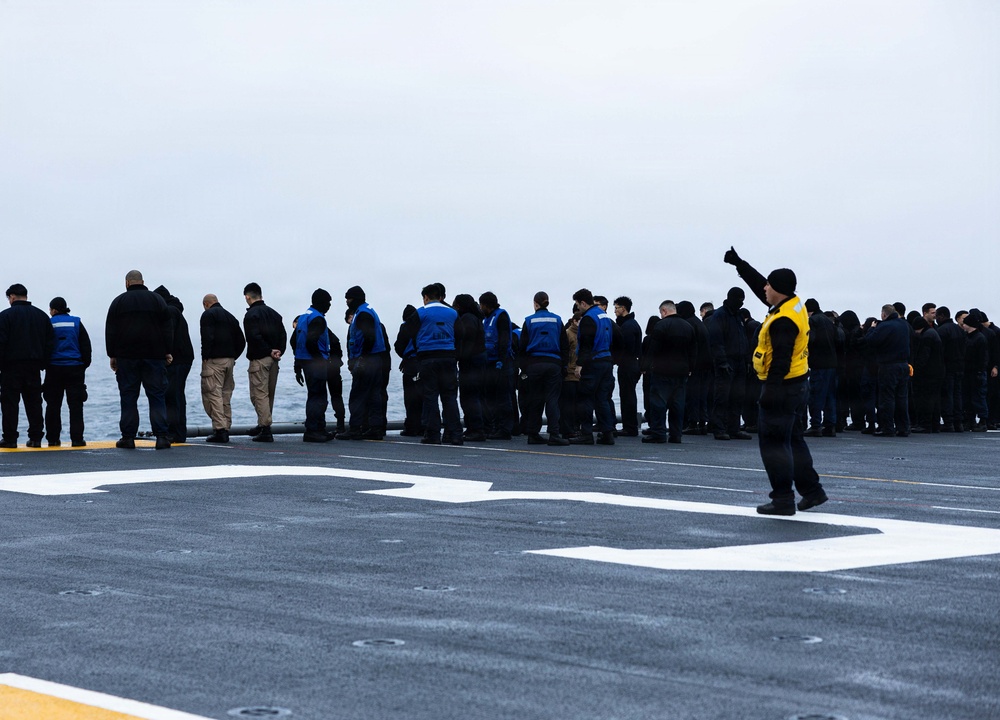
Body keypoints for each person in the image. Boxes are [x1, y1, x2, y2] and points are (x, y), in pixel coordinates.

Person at [724, 247, 827, 515]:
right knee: (792, 440)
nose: (764, 288)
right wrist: (740, 265)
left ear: (777, 289)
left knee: (773, 445)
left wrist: (770, 392)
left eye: (769, 284)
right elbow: (761, 287)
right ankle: (813, 492)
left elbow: (780, 360)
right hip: (797, 384)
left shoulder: (783, 320)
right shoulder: (791, 304)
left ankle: (782, 499)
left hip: (782, 387)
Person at [105, 270, 173, 449]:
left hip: (127, 357)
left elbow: (110, 330)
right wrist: (167, 351)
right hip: (154, 356)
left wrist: (112, 354)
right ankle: (161, 437)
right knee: (156, 396)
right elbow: (167, 327)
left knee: (128, 397)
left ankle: (128, 437)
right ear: (142, 281)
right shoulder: (157, 300)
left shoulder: (118, 302)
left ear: (127, 282)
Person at [397, 283, 463, 444]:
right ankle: (455, 434)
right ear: (440, 296)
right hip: (448, 358)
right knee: (450, 397)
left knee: (430, 397)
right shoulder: (453, 313)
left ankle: (433, 435)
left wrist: (407, 355)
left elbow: (404, 336)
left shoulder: (420, 313)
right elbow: (461, 336)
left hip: (427, 359)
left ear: (425, 297)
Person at [0, 284, 54, 448]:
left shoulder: (4, 317)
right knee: (34, 403)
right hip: (33, 368)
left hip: (10, 368)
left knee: (9, 405)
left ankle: (10, 439)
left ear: (12, 297)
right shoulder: (41, 316)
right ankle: (36, 438)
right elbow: (50, 343)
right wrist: (42, 364)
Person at [569, 288, 620, 445]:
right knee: (603, 398)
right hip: (606, 361)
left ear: (583, 303)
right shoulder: (604, 316)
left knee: (585, 398)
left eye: (578, 305)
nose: (578, 308)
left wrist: (579, 365)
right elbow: (618, 337)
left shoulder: (588, 318)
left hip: (593, 362)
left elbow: (586, 343)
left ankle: (586, 433)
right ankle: (607, 433)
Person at [518, 291, 570, 446]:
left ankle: (532, 434)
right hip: (553, 363)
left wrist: (524, 369)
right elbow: (564, 345)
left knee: (535, 400)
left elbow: (522, 348)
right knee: (552, 400)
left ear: (535, 303)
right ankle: (554, 434)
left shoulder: (529, 321)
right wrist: (564, 365)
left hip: (534, 365)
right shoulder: (557, 320)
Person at [642, 300, 695, 444]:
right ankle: (676, 434)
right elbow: (692, 351)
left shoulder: (661, 325)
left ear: (664, 311)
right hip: (682, 371)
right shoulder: (688, 327)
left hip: (662, 371)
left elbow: (653, 350)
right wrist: (690, 368)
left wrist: (645, 367)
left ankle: (658, 433)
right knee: (677, 405)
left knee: (658, 403)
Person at [340, 286, 388, 440]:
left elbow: (368, 338)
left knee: (357, 395)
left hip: (366, 360)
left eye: (348, 298)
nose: (347, 302)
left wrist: (361, 359)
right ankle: (376, 429)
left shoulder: (363, 314)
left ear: (354, 299)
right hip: (376, 360)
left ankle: (354, 428)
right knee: (374, 395)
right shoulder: (368, 310)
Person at [44, 296, 91, 447]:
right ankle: (77, 439)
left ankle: (53, 439)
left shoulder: (49, 323)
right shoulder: (76, 322)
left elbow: (44, 346)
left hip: (53, 369)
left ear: (54, 310)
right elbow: (86, 346)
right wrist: (83, 365)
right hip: (74, 368)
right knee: (76, 406)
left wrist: (45, 364)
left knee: (53, 405)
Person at [705, 287, 751, 441]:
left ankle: (734, 428)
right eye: (739, 298)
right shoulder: (720, 316)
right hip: (726, 362)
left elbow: (743, 339)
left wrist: (747, 360)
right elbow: (716, 341)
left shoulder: (737, 315)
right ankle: (719, 428)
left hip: (739, 362)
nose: (741, 302)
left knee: (737, 396)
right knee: (722, 396)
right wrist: (722, 362)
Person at [243, 282, 286, 443]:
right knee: (269, 394)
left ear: (248, 297)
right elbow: (283, 335)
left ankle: (265, 429)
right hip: (274, 359)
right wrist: (278, 351)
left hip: (260, 359)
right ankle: (263, 424)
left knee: (258, 395)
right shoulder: (275, 314)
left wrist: (268, 351)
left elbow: (253, 337)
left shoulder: (251, 315)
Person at [199, 294, 246, 443]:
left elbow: (207, 337)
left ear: (206, 304)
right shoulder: (231, 317)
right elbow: (241, 340)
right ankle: (226, 427)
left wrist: (205, 355)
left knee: (213, 395)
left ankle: (220, 430)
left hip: (214, 361)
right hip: (229, 361)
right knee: (225, 395)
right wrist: (233, 357)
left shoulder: (208, 315)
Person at [861, 304, 911, 437]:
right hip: (904, 364)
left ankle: (887, 427)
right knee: (902, 398)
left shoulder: (885, 326)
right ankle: (903, 427)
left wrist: (871, 329)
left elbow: (870, 340)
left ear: (883, 314)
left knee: (887, 397)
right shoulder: (903, 325)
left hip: (888, 365)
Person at [153, 286, 194, 444]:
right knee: (177, 395)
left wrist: (166, 353)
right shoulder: (175, 310)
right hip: (184, 358)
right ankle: (178, 431)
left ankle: (175, 432)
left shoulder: (168, 312)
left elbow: (168, 335)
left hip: (176, 360)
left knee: (172, 396)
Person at [293, 289, 334, 442]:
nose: (329, 306)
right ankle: (313, 430)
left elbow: (295, 342)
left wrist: (297, 366)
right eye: (328, 302)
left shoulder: (303, 317)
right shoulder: (318, 319)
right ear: (321, 302)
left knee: (314, 396)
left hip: (304, 361)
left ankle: (318, 429)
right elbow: (311, 341)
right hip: (315, 363)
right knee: (319, 397)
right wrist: (319, 361)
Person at [480, 291, 514, 439]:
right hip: (489, 362)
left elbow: (504, 338)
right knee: (491, 398)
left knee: (502, 397)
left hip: (501, 362)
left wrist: (501, 359)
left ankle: (505, 429)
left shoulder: (501, 316)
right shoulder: (486, 319)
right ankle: (495, 426)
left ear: (486, 305)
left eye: (481, 305)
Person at [453, 294, 487, 441]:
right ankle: (474, 428)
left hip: (471, 363)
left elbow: (467, 342)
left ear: (459, 306)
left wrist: (458, 356)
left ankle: (476, 429)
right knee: (473, 397)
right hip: (478, 362)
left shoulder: (467, 319)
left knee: (469, 397)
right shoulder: (476, 318)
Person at [803, 298, 840, 437]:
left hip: (818, 363)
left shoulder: (812, 321)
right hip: (832, 363)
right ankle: (830, 425)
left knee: (816, 395)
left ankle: (815, 425)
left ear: (809, 311)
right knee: (830, 396)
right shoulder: (828, 321)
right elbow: (838, 339)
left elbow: (810, 340)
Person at [613, 296, 642, 437]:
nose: (615, 311)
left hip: (628, 364)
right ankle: (629, 425)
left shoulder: (628, 326)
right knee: (628, 395)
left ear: (623, 308)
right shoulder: (630, 324)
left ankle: (629, 427)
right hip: (631, 364)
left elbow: (626, 347)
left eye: (616, 307)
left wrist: (616, 358)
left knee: (627, 395)